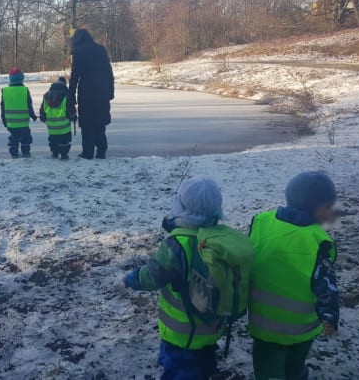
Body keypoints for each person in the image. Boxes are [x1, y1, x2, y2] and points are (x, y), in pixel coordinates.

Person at [123, 178, 228, 380]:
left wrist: (130, 279)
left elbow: (152, 276)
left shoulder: (177, 245)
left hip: (182, 333)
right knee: (204, 359)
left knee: (181, 369)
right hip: (212, 325)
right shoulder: (219, 239)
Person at [249, 172, 339, 380]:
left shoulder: (262, 221)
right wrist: (329, 315)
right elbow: (325, 283)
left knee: (267, 368)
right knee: (295, 363)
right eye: (328, 207)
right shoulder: (317, 240)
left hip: (265, 324)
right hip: (301, 327)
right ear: (316, 208)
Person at [68, 28, 114, 159]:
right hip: (102, 91)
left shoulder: (78, 52)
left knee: (87, 123)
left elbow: (75, 76)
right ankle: (101, 151)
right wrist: (110, 91)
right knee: (100, 122)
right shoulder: (101, 49)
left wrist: (71, 96)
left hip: (86, 92)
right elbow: (109, 72)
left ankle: (87, 152)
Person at [1, 67, 37, 158]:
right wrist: (33, 116)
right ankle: (25, 152)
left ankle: (14, 153)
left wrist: (4, 120)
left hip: (11, 122)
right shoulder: (24, 90)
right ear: (21, 79)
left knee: (14, 138)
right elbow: (29, 105)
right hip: (23, 122)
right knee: (26, 138)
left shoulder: (5, 91)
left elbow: (3, 107)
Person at [39, 77, 76, 160]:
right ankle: (64, 155)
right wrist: (73, 116)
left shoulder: (46, 96)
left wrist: (43, 117)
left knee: (53, 140)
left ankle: (55, 153)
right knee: (64, 141)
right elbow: (70, 109)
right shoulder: (66, 95)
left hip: (51, 126)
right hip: (64, 126)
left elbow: (42, 109)